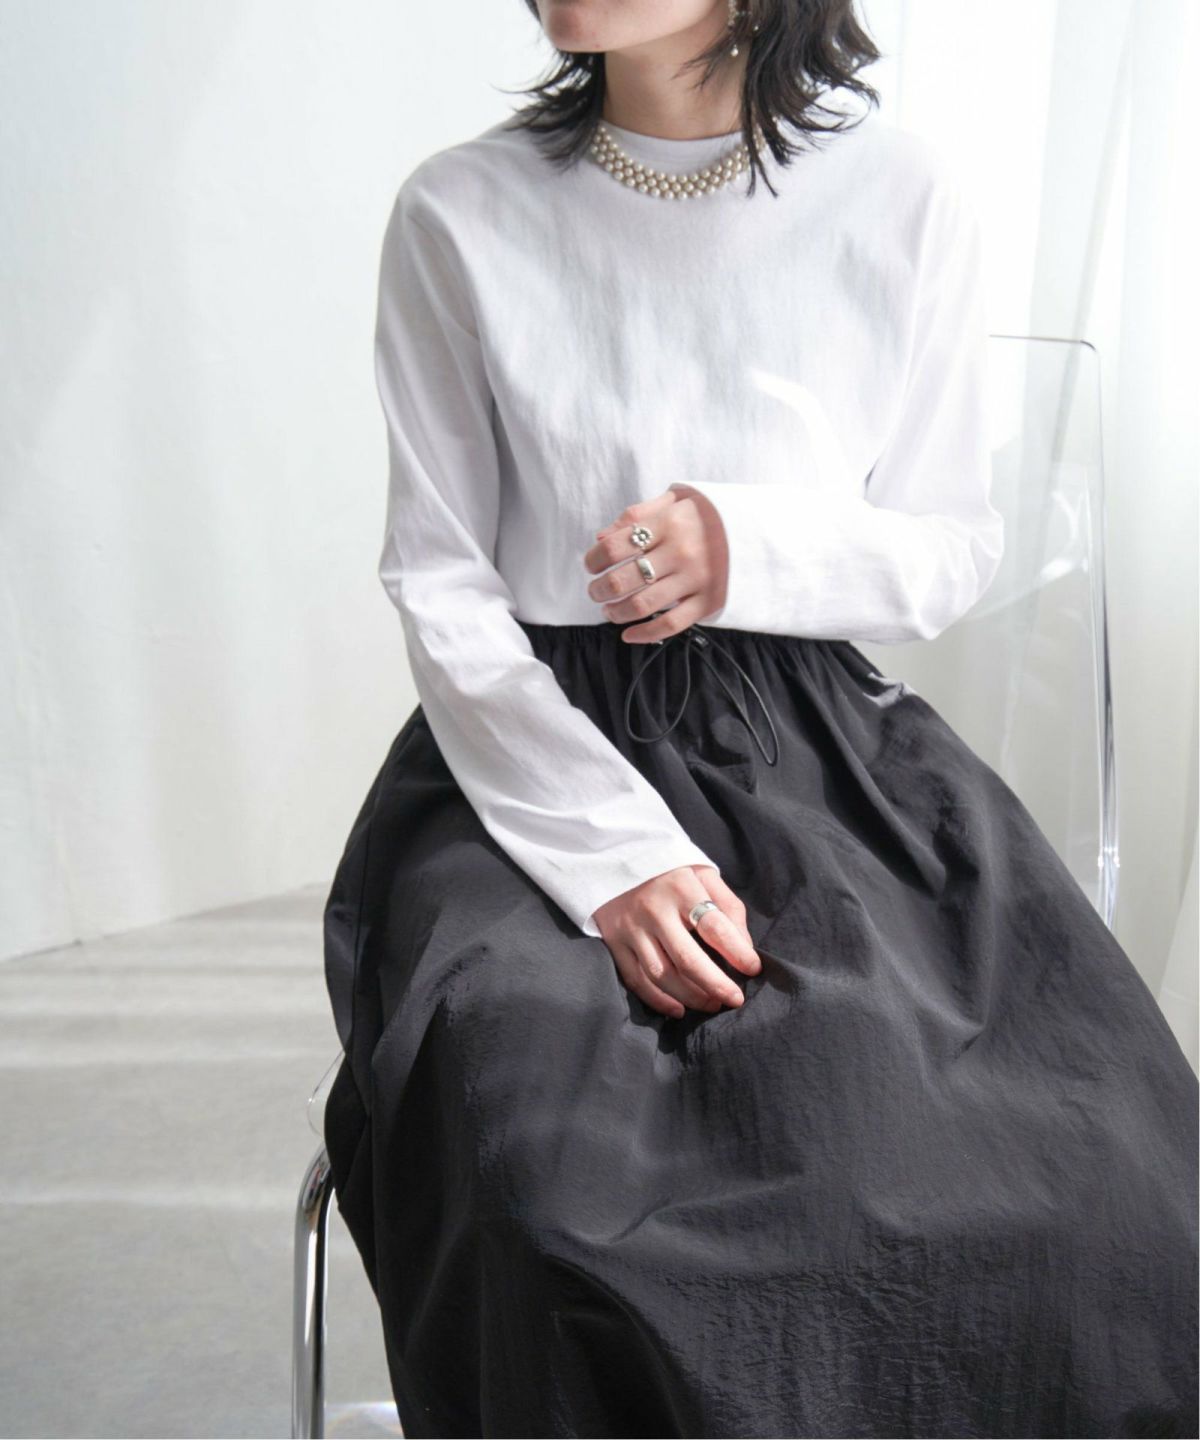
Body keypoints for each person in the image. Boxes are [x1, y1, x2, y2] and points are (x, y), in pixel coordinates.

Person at [320, 2, 1199, 1435]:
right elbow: (440, 579)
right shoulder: (460, 211)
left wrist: (747, 547)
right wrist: (616, 860)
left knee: (1087, 1180)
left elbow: (950, 545)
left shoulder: (898, 195)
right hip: (531, 767)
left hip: (823, 758)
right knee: (548, 1188)